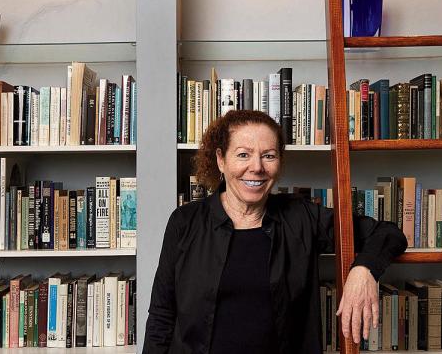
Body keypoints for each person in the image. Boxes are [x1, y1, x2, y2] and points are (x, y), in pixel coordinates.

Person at [143, 110, 408, 354]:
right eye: (243, 154)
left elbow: (389, 233)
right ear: (221, 160)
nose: (257, 167)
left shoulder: (303, 217)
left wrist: (364, 270)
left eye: (268, 155)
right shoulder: (184, 222)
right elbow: (161, 315)